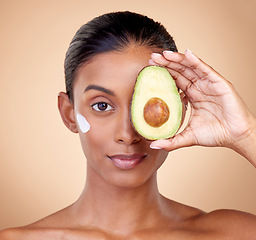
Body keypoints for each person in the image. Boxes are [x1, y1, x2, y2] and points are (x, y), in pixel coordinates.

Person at [1, 11, 256, 239]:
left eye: (149, 105)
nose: (127, 134)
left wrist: (245, 134)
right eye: (102, 106)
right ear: (69, 113)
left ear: (180, 109)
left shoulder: (235, 233)